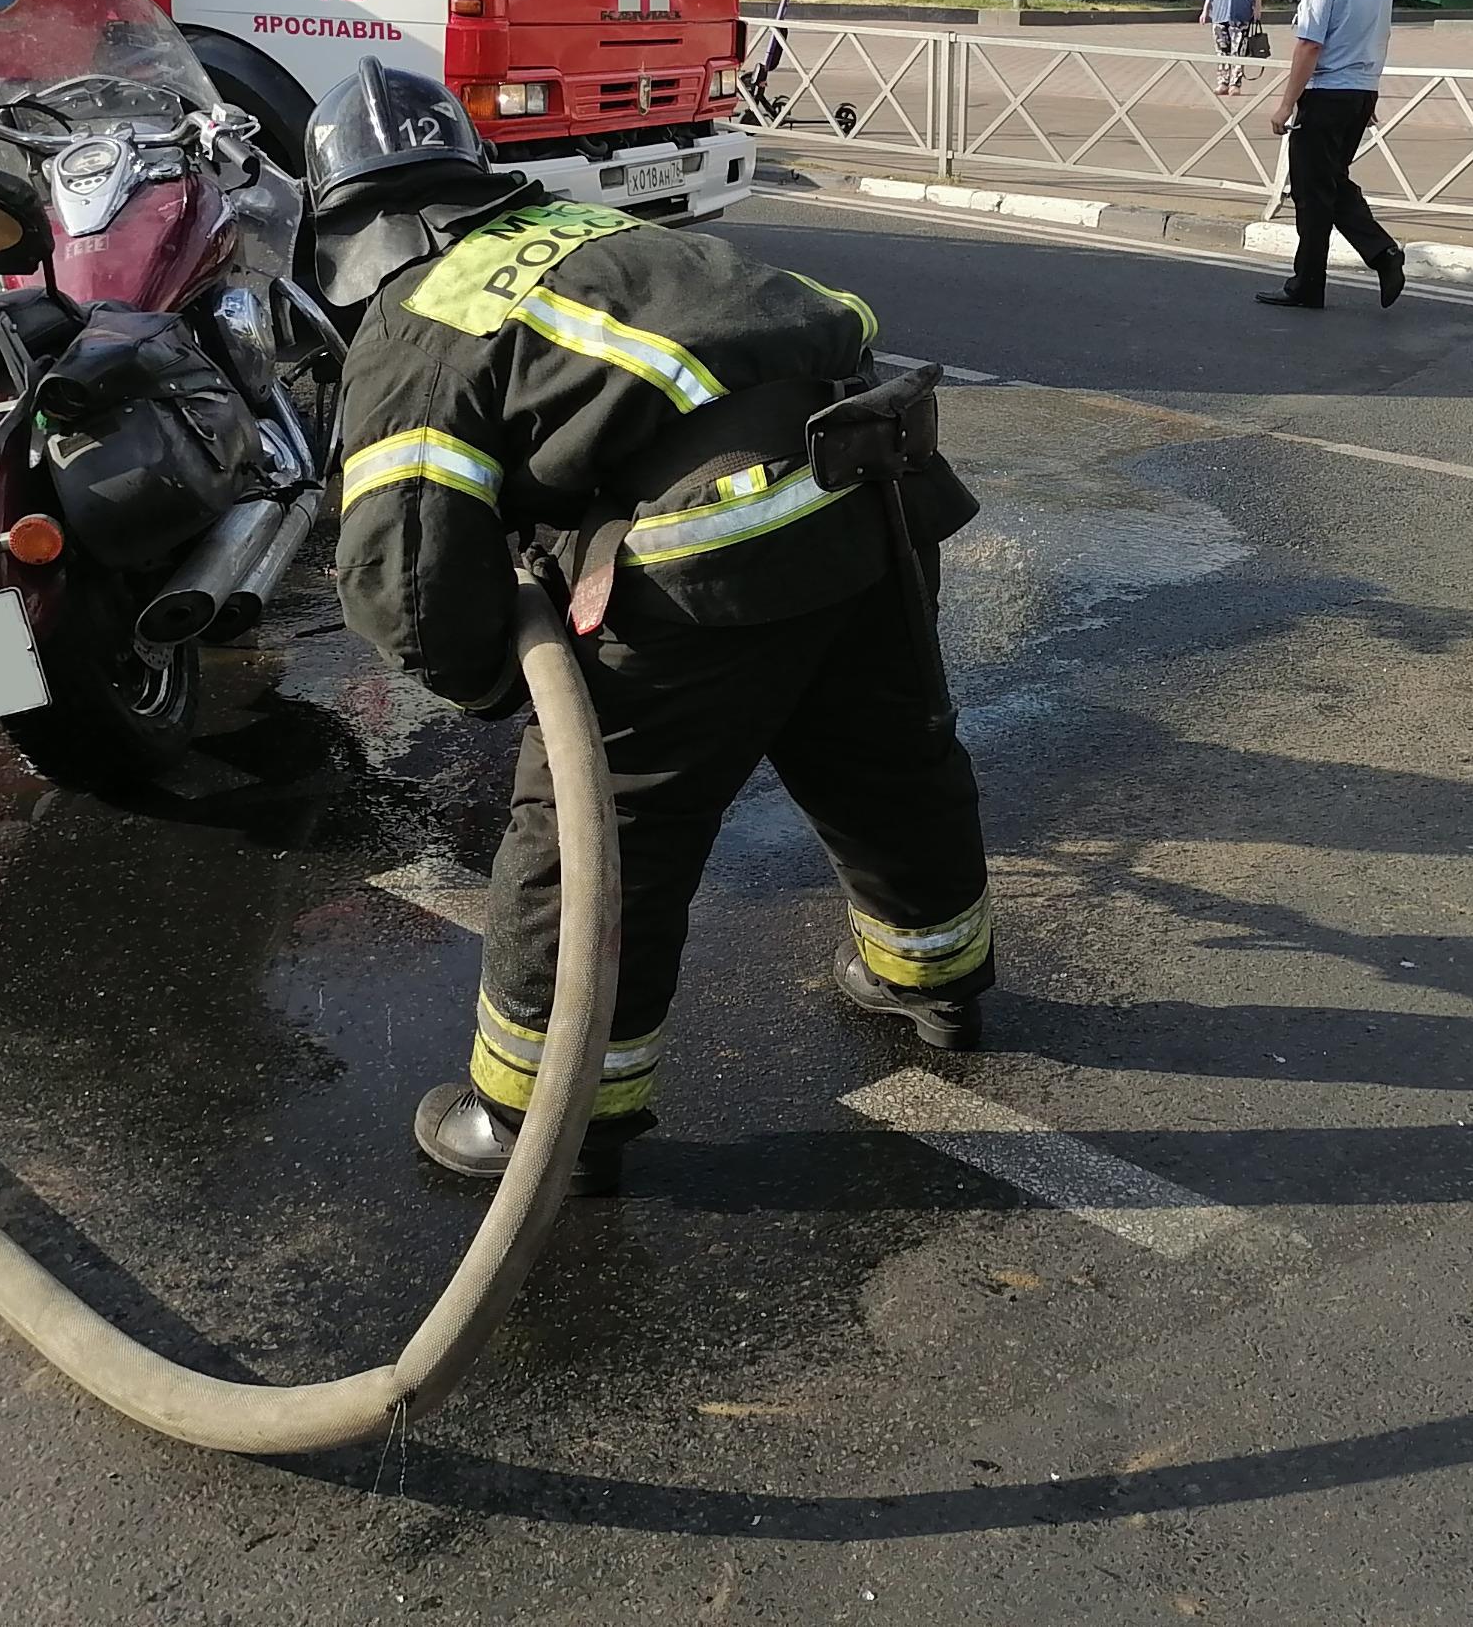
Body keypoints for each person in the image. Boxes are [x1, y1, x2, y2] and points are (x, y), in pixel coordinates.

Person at [310, 62, 995, 1194]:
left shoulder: (421, 319)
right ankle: (937, 985)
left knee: (594, 834)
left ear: (343, 223)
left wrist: (497, 686)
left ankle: (544, 1118)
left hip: (715, 550)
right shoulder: (578, 222)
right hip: (874, 487)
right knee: (888, 755)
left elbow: (409, 582)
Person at [1255, 0, 1403, 312]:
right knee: (1328, 182)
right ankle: (1363, 260)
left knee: (1311, 188)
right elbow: (1381, 33)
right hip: (1360, 90)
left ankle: (1320, 279)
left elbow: (1308, 45)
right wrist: (1368, 86)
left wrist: (1286, 103)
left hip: (1326, 92)